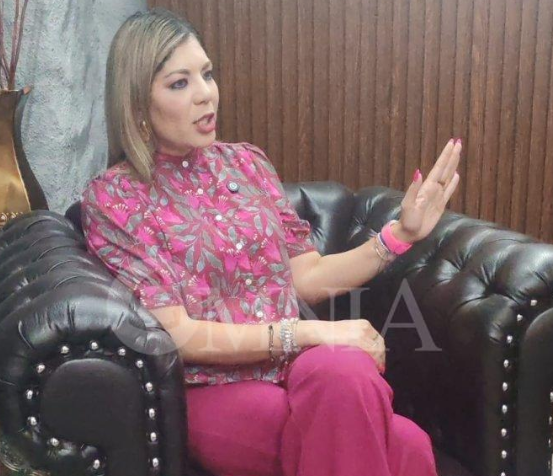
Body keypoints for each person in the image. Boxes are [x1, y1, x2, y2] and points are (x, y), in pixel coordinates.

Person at [81, 7, 461, 476]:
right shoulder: (116, 197)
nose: (205, 94)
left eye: (207, 74)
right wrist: (310, 333)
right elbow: (178, 334)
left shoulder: (247, 164)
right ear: (138, 104)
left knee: (346, 375)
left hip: (296, 371)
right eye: (179, 83)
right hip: (212, 389)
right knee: (406, 446)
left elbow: (306, 277)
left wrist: (399, 235)